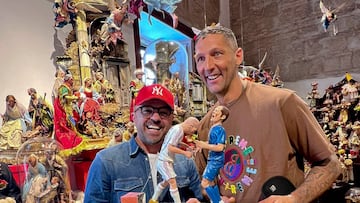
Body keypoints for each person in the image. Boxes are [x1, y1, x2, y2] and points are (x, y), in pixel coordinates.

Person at [193, 25, 341, 202]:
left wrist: (294, 199)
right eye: (200, 58)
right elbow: (205, 185)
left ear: (238, 56)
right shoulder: (205, 125)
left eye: (216, 54)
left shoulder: (281, 103)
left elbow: (331, 164)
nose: (208, 66)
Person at [84, 84, 203, 203]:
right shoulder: (106, 162)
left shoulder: (185, 163)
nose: (156, 118)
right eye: (147, 110)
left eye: (163, 112)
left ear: (172, 118)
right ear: (134, 115)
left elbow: (198, 198)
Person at [149, 116, 200, 203]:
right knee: (173, 182)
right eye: (194, 131)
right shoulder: (178, 130)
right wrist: (185, 153)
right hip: (164, 160)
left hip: (167, 159)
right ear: (190, 126)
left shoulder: (178, 129)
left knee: (165, 182)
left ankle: (153, 199)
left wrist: (186, 146)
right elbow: (170, 147)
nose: (192, 133)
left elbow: (175, 143)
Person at [194, 105, 229, 203]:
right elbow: (211, 144)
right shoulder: (214, 128)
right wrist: (201, 144)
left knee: (204, 183)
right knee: (209, 182)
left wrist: (204, 145)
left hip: (216, 160)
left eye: (217, 111)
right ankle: (217, 201)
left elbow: (220, 147)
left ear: (223, 117)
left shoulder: (220, 130)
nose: (214, 112)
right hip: (213, 159)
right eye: (214, 110)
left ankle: (217, 201)